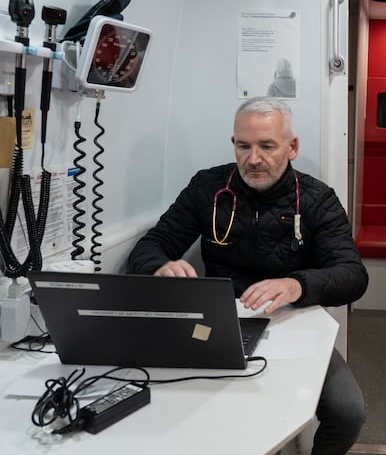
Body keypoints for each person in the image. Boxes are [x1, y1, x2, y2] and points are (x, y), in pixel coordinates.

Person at [127, 97, 368, 455]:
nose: (254, 159)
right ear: (234, 145)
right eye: (244, 146)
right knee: (187, 402)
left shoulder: (317, 200)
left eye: (267, 146)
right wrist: (160, 266)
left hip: (293, 322)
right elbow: (149, 247)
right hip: (218, 322)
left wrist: (296, 284)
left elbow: (353, 276)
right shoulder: (208, 188)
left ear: (292, 147)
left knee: (348, 411)